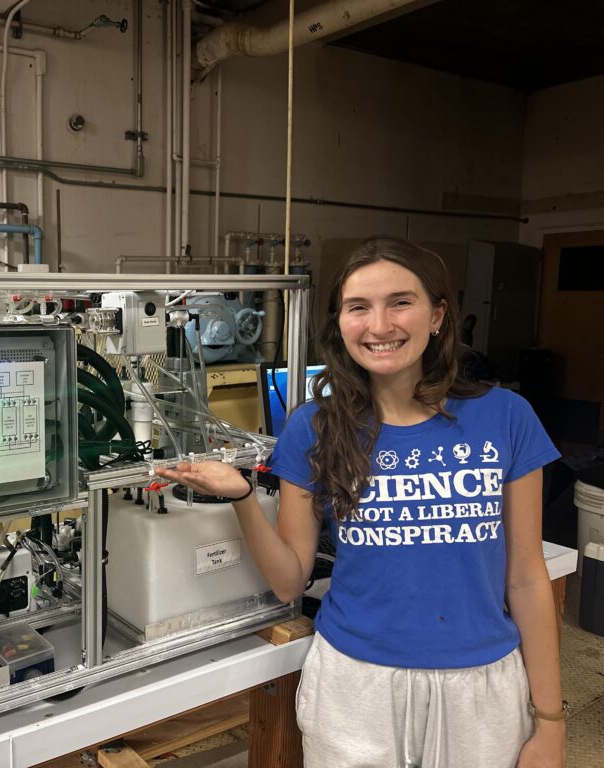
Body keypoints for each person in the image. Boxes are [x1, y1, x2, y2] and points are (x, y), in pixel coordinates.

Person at [156, 237, 564, 768]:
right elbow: (289, 580)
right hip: (356, 685)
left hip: (480, 684)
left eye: (401, 302)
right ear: (340, 322)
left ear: (438, 315)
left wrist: (551, 721)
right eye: (358, 308)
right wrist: (244, 497)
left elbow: (528, 578)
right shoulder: (313, 428)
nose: (379, 325)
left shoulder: (505, 417)